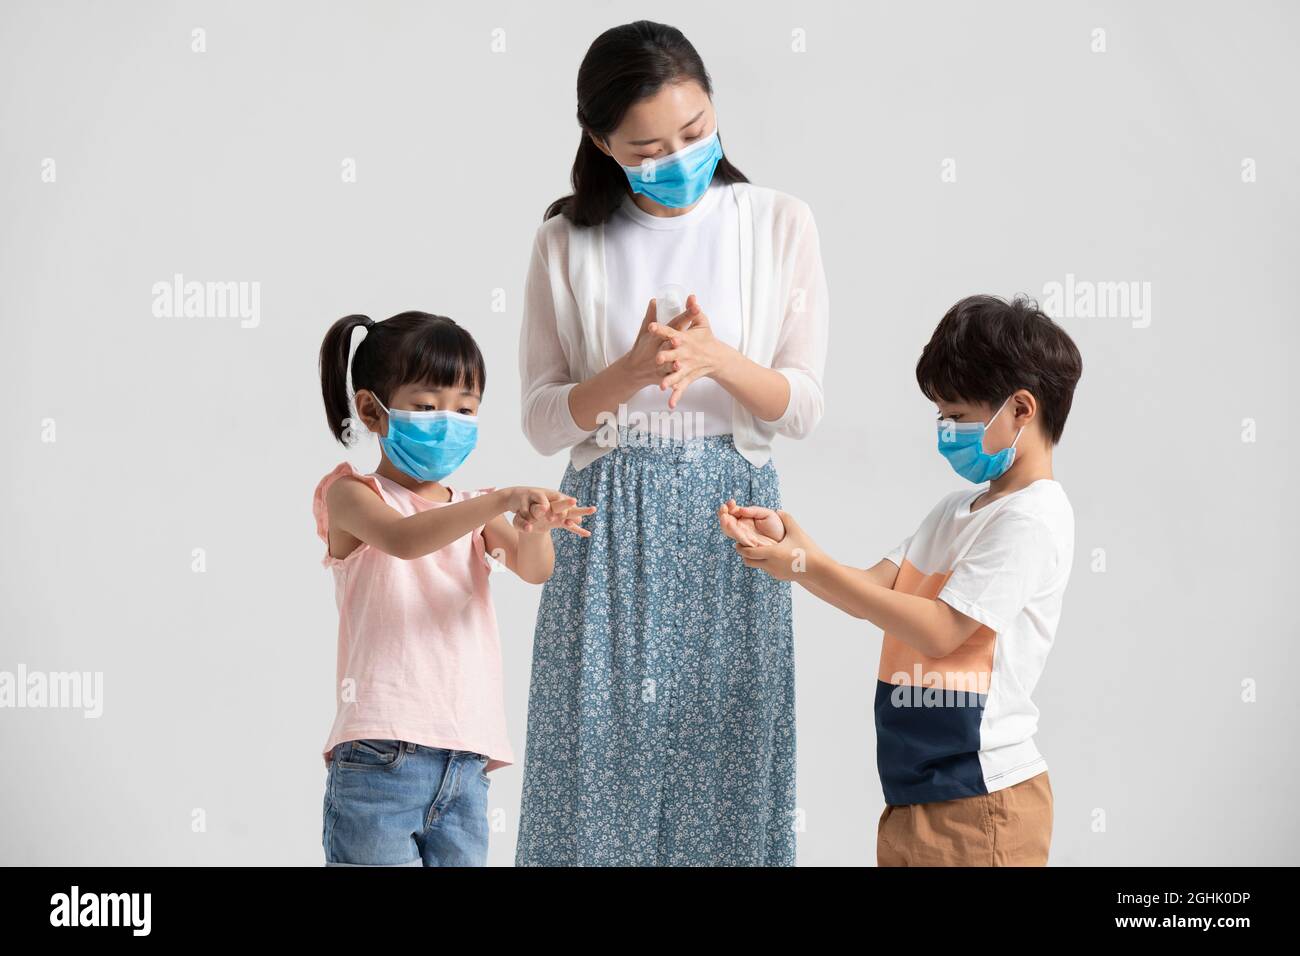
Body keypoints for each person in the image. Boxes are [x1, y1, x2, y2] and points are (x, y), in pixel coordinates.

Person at [515, 21, 829, 865]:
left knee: (728, 776)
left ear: (715, 109)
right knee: (594, 779)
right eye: (647, 147)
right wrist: (626, 373)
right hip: (603, 523)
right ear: (601, 142)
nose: (678, 157)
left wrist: (717, 357)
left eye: (694, 133)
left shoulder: (778, 224)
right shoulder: (564, 242)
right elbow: (543, 422)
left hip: (734, 527)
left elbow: (800, 409)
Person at [723, 295, 1081, 866]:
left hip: (981, 797)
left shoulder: (1032, 517)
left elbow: (943, 632)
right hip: (914, 795)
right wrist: (793, 547)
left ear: (1020, 409)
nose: (945, 430)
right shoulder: (952, 512)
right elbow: (870, 591)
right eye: (941, 415)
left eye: (958, 415)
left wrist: (806, 565)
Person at [313, 310, 593, 866]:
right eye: (427, 405)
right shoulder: (352, 496)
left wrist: (533, 527)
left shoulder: (474, 510)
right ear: (373, 409)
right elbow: (404, 539)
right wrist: (499, 501)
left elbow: (534, 570)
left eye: (466, 409)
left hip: (466, 761)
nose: (450, 421)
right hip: (379, 756)